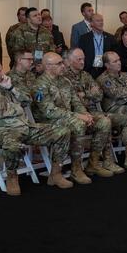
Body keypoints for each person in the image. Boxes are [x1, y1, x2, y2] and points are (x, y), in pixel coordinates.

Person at [0, 58, 72, 195]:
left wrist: (11, 88)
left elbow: (28, 100)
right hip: (1, 131)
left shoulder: (5, 83)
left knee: (62, 132)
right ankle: (12, 177)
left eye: (1, 70)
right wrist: (18, 107)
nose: (2, 73)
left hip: (24, 126)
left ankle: (55, 174)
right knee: (12, 145)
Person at [32, 52, 113, 184]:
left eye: (62, 63)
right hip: (49, 121)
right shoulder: (40, 85)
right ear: (48, 66)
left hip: (68, 117)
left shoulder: (65, 81)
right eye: (59, 64)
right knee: (78, 124)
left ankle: (93, 163)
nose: (63, 66)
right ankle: (76, 169)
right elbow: (49, 112)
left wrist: (86, 114)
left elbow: (76, 102)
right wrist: (78, 116)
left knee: (104, 121)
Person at [64, 47, 127, 172]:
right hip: (75, 113)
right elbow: (71, 99)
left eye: (83, 59)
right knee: (105, 121)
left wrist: (85, 94)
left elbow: (99, 95)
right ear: (69, 60)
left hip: (93, 111)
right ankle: (102, 161)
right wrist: (90, 94)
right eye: (79, 59)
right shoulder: (64, 77)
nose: (82, 62)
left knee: (124, 119)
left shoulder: (86, 75)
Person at [77, 13, 117, 78]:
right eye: (98, 21)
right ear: (91, 23)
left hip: (106, 70)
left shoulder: (110, 37)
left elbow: (114, 54)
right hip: (89, 70)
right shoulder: (84, 38)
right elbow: (80, 55)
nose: (101, 23)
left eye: (102, 20)